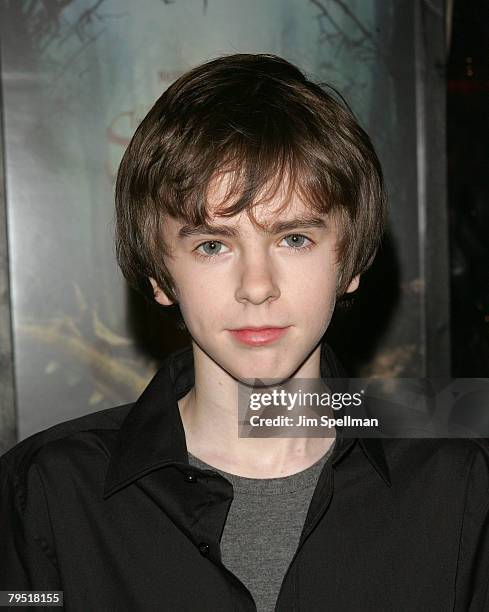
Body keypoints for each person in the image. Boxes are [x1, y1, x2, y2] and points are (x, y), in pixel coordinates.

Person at [1, 53, 488, 612]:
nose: (257, 286)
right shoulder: (45, 493)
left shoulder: (460, 486)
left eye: (294, 239)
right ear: (161, 277)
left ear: (350, 262)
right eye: (213, 245)